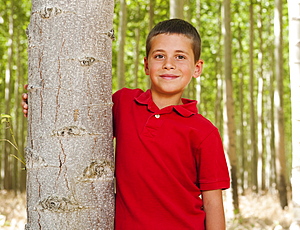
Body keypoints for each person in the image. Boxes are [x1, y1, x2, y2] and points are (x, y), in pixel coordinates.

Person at [22, 18, 230, 230]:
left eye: (180, 56)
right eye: (160, 56)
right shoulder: (124, 103)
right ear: (147, 65)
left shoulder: (204, 132)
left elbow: (213, 202)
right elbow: (78, 123)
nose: (169, 64)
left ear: (197, 68)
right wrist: (42, 107)